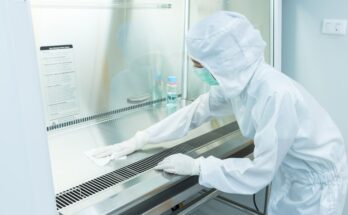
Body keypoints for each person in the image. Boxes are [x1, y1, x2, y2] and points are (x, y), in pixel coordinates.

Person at [92, 11, 348, 214]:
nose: (196, 71)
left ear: (222, 63)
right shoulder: (238, 81)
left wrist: (197, 166)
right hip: (292, 176)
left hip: (316, 188)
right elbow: (195, 112)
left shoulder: (274, 94)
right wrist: (141, 138)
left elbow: (259, 172)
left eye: (198, 65)